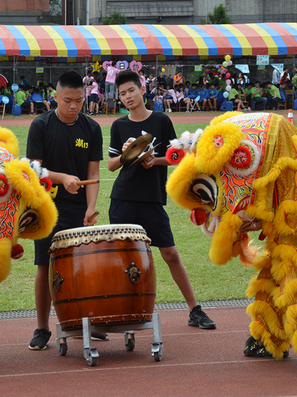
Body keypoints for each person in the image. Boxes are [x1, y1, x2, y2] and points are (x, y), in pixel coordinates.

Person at [107, 70, 216, 330]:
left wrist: (154, 160)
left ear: (141, 88)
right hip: (123, 200)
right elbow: (111, 165)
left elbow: (176, 156)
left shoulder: (161, 120)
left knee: (170, 254)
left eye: (131, 90)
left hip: (152, 199)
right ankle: (125, 313)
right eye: (122, 94)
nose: (127, 97)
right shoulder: (118, 126)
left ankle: (194, 310)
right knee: (125, 259)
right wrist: (125, 155)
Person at [26, 70, 105, 350]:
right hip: (45, 207)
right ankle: (42, 328)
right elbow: (34, 170)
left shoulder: (92, 128)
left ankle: (84, 322)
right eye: (67, 100)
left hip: (78, 209)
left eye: (79, 101)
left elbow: (93, 172)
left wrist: (91, 207)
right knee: (44, 267)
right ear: (55, 97)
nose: (74, 106)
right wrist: (62, 178)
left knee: (81, 267)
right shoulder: (41, 125)